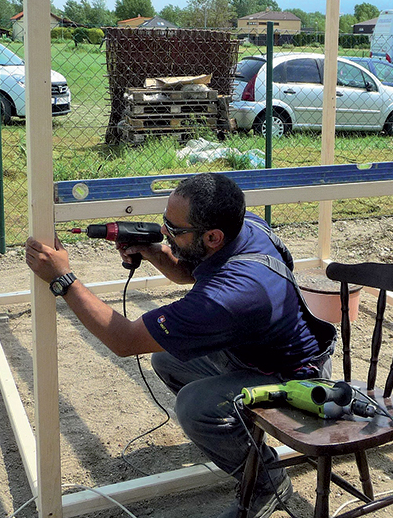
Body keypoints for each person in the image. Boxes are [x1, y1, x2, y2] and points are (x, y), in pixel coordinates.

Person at [25, 173, 335, 518]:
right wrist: (155, 251)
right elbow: (190, 270)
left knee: (194, 406)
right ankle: (237, 437)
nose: (164, 232)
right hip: (257, 351)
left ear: (213, 236)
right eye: (164, 223)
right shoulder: (243, 222)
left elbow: (124, 340)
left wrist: (64, 280)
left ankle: (267, 482)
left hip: (296, 380)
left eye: (173, 229)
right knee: (167, 360)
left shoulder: (232, 295)